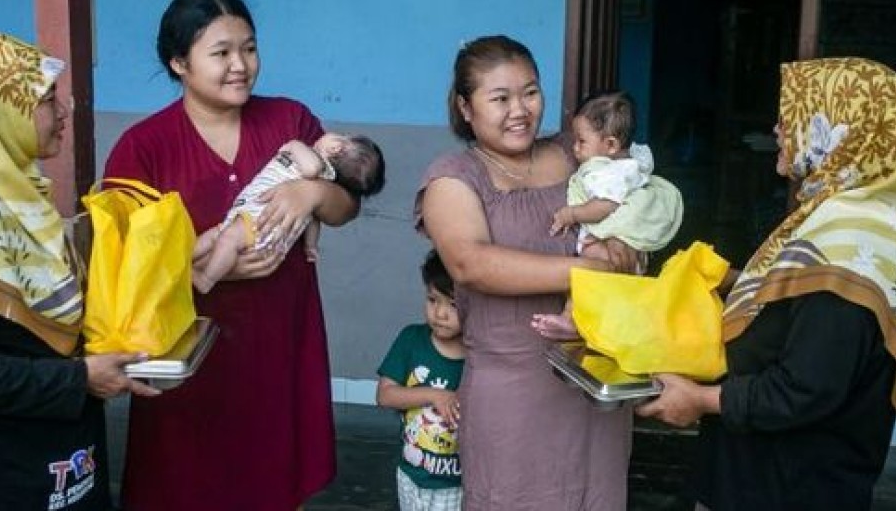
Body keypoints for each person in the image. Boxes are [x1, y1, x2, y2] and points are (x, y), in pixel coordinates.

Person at [637, 57, 896, 511]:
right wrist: (729, 282)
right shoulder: (847, 220)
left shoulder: (849, 246)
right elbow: (798, 314)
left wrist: (701, 400)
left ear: (845, 130)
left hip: (786, 484)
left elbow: (808, 386)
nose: (780, 128)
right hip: (768, 473)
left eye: (795, 116)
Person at [104, 0, 360, 510]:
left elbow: (346, 208)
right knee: (184, 487)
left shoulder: (289, 122)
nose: (240, 65)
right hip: (188, 353)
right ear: (179, 63)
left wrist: (312, 192)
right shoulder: (143, 146)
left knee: (271, 484)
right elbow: (121, 266)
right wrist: (213, 264)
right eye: (221, 53)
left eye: (249, 48)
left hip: (277, 344)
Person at [0, 33, 156, 511]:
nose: (63, 112)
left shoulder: (21, 201)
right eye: (43, 100)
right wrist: (78, 379)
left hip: (62, 461)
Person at [416, 34, 637, 510]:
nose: (519, 109)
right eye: (500, 98)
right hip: (512, 391)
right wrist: (589, 269)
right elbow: (469, 263)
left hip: (593, 378)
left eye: (530, 92)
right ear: (465, 106)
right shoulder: (454, 175)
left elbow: (633, 206)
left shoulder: (577, 152)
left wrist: (627, 251)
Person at [532, 89, 684, 339]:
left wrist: (571, 214)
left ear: (611, 144)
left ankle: (572, 318)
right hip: (631, 250)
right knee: (615, 289)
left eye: (582, 142)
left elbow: (605, 205)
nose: (576, 149)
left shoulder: (607, 174)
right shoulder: (626, 164)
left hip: (609, 244)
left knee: (585, 273)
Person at [193, 132, 385, 293]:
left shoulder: (315, 162)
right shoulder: (325, 179)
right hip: (247, 218)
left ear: (337, 147)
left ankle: (206, 280)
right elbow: (313, 220)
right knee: (215, 238)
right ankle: (183, 264)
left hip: (258, 222)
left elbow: (311, 169)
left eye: (342, 135)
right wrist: (311, 245)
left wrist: (295, 145)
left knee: (226, 240)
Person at [376, 249, 466, 511]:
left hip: (456, 485)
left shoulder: (479, 358)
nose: (440, 313)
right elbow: (385, 395)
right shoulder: (411, 340)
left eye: (453, 304)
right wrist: (435, 395)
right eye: (432, 300)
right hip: (410, 474)